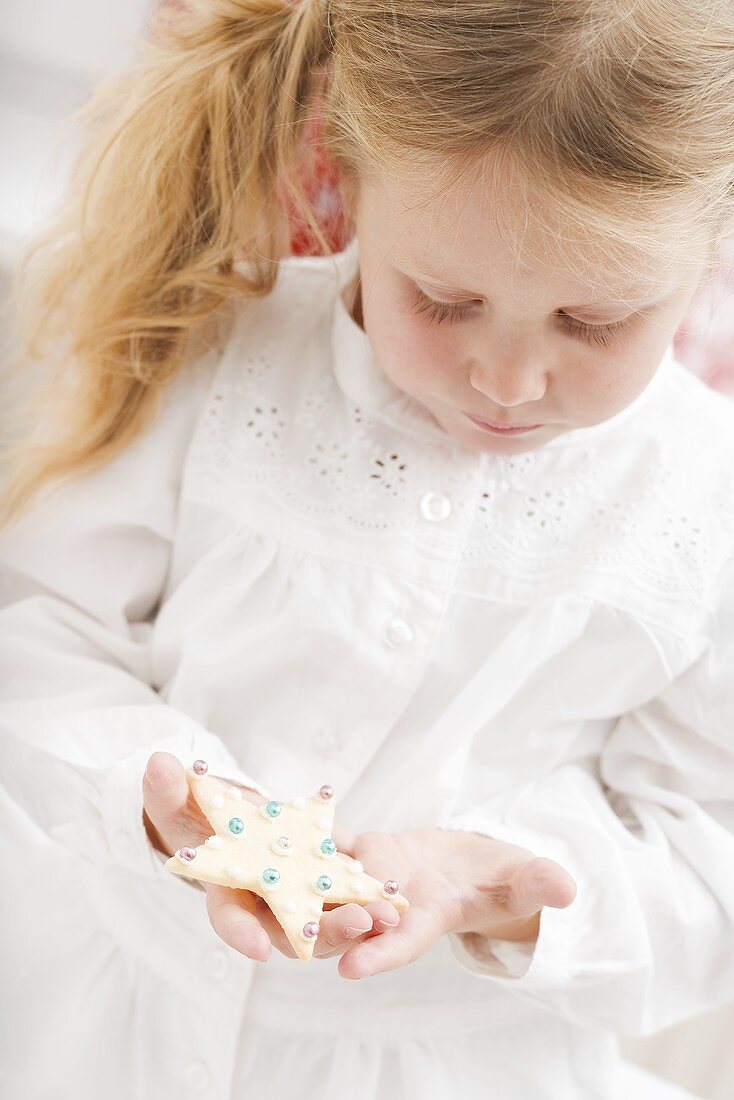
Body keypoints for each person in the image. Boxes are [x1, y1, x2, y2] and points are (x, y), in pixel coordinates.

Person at [1, 1, 733, 1097]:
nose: (506, 380)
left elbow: (704, 865)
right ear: (348, 180)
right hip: (97, 1020)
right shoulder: (219, 353)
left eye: (592, 322)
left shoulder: (702, 502)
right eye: (442, 299)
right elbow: (41, 629)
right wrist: (144, 787)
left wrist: (502, 887)